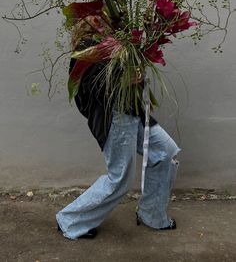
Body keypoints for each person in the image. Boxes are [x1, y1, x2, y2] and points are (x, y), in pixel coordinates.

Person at [56, 18, 181, 240]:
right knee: (120, 178)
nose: (102, 18)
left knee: (165, 152)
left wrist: (138, 75)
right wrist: (123, 80)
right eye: (96, 15)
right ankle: (69, 219)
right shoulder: (87, 47)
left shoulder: (119, 40)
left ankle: (151, 213)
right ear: (87, 20)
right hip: (113, 117)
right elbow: (87, 87)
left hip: (134, 112)